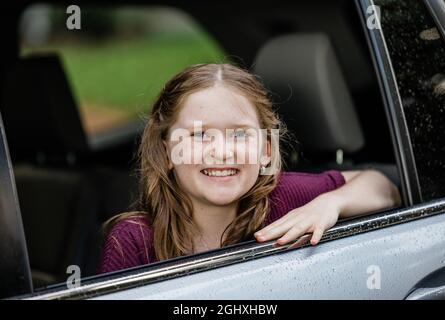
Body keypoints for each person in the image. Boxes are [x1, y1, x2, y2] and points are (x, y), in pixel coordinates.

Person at [98, 63, 401, 274]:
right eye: (199, 135)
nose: (222, 151)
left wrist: (330, 204)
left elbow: (382, 186)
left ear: (266, 151)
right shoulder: (133, 241)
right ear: (167, 152)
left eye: (240, 134)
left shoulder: (285, 197)